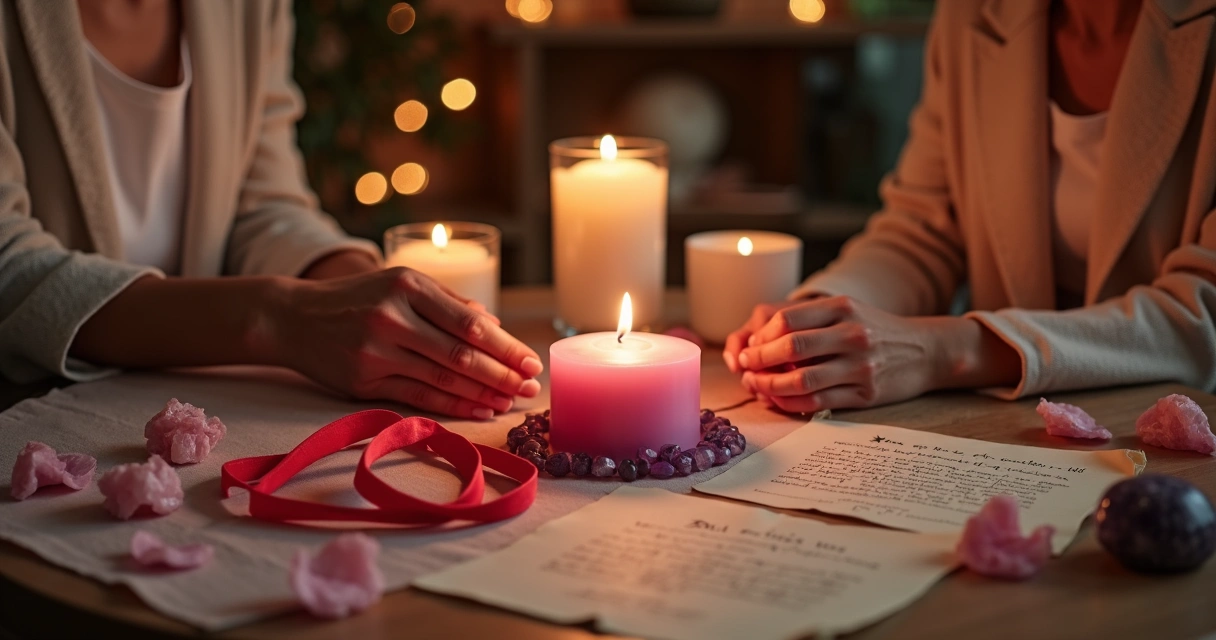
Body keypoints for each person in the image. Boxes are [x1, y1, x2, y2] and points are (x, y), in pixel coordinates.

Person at [0, 0, 542, 419]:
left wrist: (361, 295)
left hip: (191, 409)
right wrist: (276, 318)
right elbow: (10, 268)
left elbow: (265, 206)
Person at [725, 0, 1216, 413]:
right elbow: (922, 231)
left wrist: (946, 352)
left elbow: (1204, 309)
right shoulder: (973, 14)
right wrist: (819, 319)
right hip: (1011, 431)